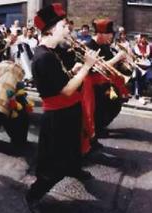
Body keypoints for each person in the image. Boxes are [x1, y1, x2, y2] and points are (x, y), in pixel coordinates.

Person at [24, 3, 99, 212]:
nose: (69, 30)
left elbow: (63, 77)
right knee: (54, 165)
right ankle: (34, 194)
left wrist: (75, 69)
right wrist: (85, 67)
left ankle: (74, 169)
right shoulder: (43, 57)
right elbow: (65, 90)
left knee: (74, 149)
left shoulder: (54, 51)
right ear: (51, 29)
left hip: (70, 111)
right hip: (58, 117)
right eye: (65, 26)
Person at [81, 18, 129, 154]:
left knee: (115, 104)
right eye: (109, 35)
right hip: (92, 86)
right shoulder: (89, 46)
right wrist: (117, 58)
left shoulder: (105, 46)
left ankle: (99, 128)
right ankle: (92, 139)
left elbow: (110, 65)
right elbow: (97, 67)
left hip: (104, 83)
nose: (111, 37)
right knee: (94, 114)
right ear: (101, 34)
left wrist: (123, 62)